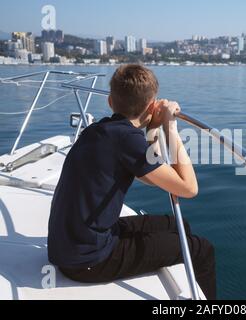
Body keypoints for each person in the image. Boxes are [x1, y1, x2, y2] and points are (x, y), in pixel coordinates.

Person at [47, 64, 216, 300]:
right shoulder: (126, 139)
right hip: (88, 261)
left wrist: (154, 127)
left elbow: (149, 176)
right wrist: (171, 126)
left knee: (176, 224)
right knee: (200, 248)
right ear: (150, 105)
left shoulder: (100, 130)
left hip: (72, 245)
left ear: (110, 102)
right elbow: (189, 188)